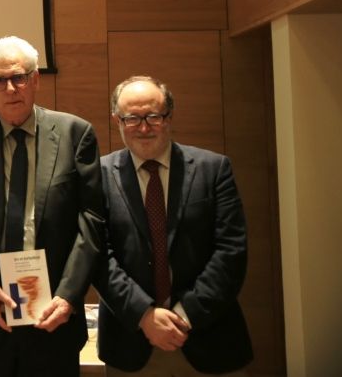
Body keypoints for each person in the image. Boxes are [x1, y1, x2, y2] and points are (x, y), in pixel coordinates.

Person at [0, 36, 105, 377]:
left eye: (19, 77)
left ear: (35, 79)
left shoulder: (75, 133)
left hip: (54, 314)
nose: (11, 88)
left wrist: (69, 296)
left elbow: (92, 220)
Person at [95, 76, 252, 375]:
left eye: (153, 116)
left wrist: (183, 315)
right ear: (117, 120)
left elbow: (231, 252)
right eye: (132, 118)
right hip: (131, 341)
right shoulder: (98, 175)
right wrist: (144, 316)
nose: (143, 127)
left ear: (169, 117)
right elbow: (99, 256)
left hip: (209, 337)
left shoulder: (213, 169)